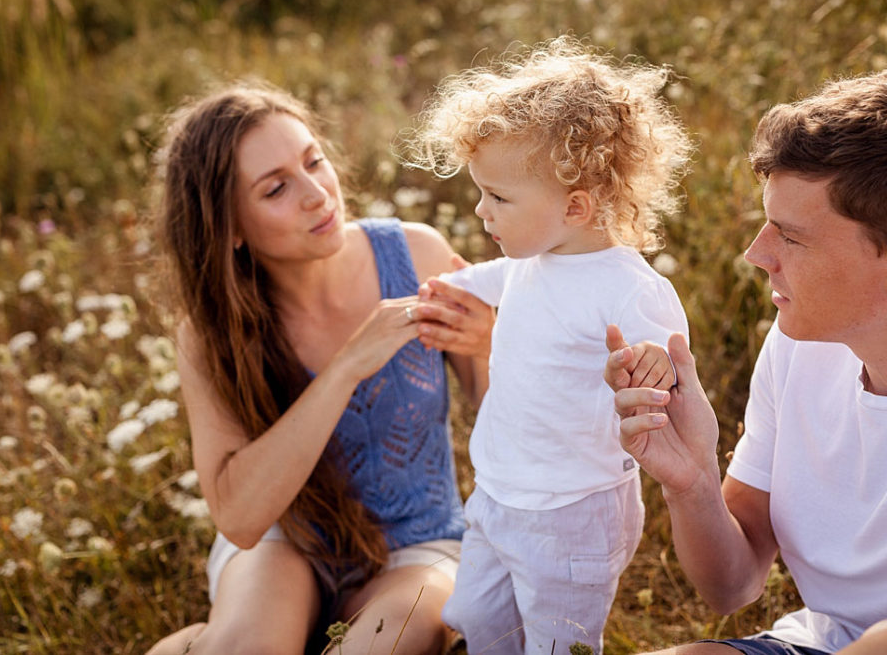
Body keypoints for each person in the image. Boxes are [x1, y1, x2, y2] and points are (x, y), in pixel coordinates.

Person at [605, 68, 887, 654]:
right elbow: (732, 585)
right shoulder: (802, 345)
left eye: (791, 237)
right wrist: (692, 482)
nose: (756, 253)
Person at [143, 81, 494, 655]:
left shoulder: (417, 257)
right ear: (229, 227)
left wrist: (488, 342)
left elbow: (510, 415)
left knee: (384, 642)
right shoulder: (211, 335)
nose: (316, 194)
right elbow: (241, 519)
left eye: (314, 161)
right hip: (286, 543)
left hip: (423, 543)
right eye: (276, 188)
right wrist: (346, 368)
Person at [403, 37, 693, 654]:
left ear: (576, 205)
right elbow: (494, 280)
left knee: (558, 641)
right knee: (478, 620)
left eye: (498, 197)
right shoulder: (533, 260)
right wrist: (443, 288)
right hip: (500, 489)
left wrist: (652, 366)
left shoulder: (627, 286)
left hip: (572, 510)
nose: (482, 211)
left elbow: (665, 358)